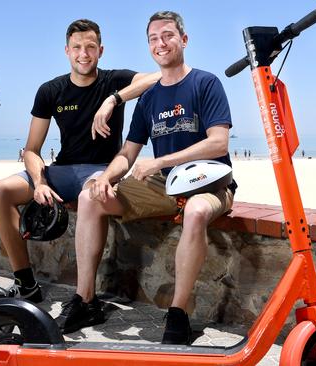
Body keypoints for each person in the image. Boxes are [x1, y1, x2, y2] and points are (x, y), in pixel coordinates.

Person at [58, 11, 237, 343]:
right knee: (89, 197)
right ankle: (85, 300)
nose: (161, 43)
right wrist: (105, 177)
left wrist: (160, 161)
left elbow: (218, 143)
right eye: (153, 39)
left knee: (196, 213)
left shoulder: (205, 82)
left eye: (168, 35)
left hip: (210, 181)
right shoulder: (149, 97)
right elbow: (128, 154)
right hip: (163, 184)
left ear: (183, 40)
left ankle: (178, 314)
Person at [0, 19, 159, 303]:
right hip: (61, 172)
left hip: (100, 170)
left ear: (100, 50)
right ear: (67, 51)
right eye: (77, 47)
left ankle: (85, 297)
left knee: (89, 195)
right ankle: (26, 283)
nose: (84, 54)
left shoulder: (113, 80)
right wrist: (40, 183)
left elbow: (157, 77)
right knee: (0, 190)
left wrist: (114, 100)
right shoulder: (50, 91)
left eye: (90, 47)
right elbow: (31, 149)